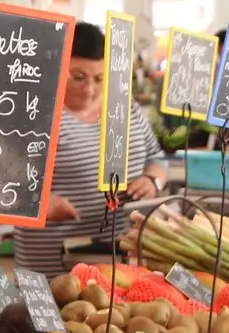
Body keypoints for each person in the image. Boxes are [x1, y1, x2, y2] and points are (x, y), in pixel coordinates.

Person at [11, 21, 168, 276]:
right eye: (79, 77)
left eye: (99, 78)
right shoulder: (36, 113)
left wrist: (153, 181)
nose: (90, 88)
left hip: (118, 264)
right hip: (51, 269)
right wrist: (39, 202)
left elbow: (157, 157)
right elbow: (2, 182)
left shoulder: (126, 108)